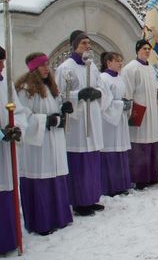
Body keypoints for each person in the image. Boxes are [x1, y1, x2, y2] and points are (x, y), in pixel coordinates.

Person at [15, 53, 73, 235]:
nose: (47, 68)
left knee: (55, 176)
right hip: (38, 145)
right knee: (42, 178)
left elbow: (54, 110)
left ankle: (59, 217)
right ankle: (42, 221)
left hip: (53, 141)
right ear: (33, 68)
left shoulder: (50, 88)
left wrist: (63, 111)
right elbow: (23, 115)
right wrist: (45, 121)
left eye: (48, 64)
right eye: (42, 65)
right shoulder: (26, 90)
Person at [55, 30, 106, 216]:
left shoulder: (91, 66)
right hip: (77, 122)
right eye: (83, 43)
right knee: (79, 162)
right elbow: (60, 94)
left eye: (88, 43)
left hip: (92, 117)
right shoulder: (65, 68)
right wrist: (78, 95)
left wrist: (98, 93)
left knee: (92, 159)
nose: (87, 46)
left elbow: (101, 86)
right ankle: (79, 201)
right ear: (74, 45)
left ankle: (91, 197)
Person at [121, 39, 158, 190]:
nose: (147, 51)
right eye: (144, 48)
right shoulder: (131, 68)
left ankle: (151, 175)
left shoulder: (150, 68)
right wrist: (132, 111)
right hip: (139, 111)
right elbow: (127, 92)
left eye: (149, 48)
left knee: (151, 141)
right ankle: (139, 178)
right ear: (137, 50)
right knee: (139, 144)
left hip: (152, 111)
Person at [1, 46, 28, 253]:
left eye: (3, 61)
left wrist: (17, 128)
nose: (2, 66)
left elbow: (18, 110)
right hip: (2, 139)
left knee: (8, 191)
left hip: (6, 148)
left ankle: (8, 239)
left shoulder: (6, 84)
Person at [98, 52, 132, 197]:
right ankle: (110, 186)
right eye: (117, 61)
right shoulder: (103, 79)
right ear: (108, 62)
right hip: (109, 122)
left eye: (121, 60)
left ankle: (121, 184)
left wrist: (126, 103)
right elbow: (104, 102)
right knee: (110, 150)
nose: (120, 63)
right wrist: (120, 104)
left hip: (121, 118)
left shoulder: (119, 78)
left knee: (120, 150)